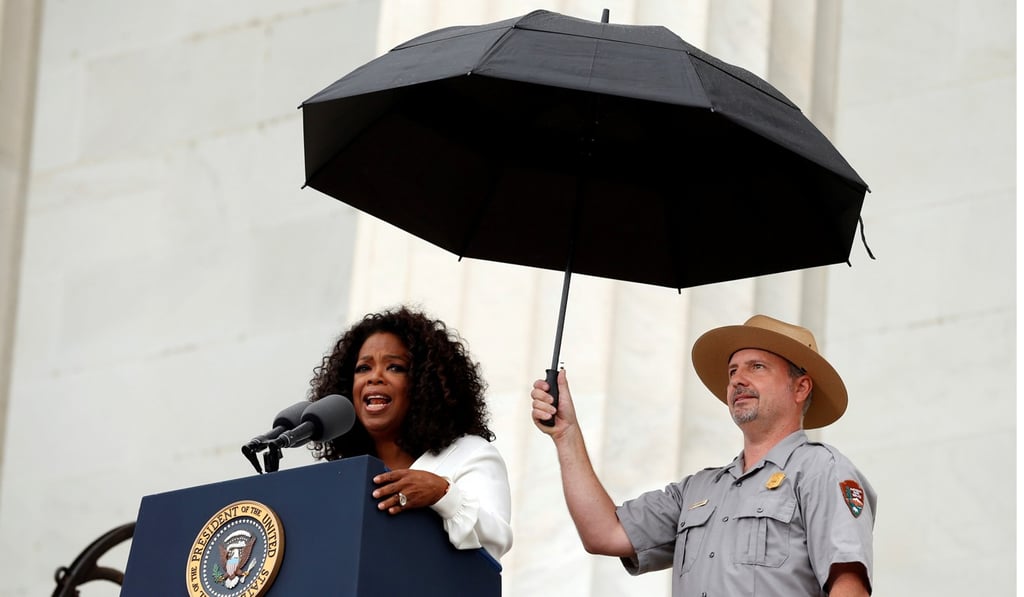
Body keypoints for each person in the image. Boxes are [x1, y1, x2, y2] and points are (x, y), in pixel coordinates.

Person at [530, 314, 876, 596]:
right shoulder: (697, 490)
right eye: (732, 371)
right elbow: (605, 533)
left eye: (756, 367)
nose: (738, 379)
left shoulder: (820, 469)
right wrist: (566, 435)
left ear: (800, 387)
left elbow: (848, 585)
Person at [308, 305, 513, 561]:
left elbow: (495, 541)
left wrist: (442, 494)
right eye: (363, 368)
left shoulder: (470, 454)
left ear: (425, 383)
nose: (375, 377)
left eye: (394, 367)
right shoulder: (347, 473)